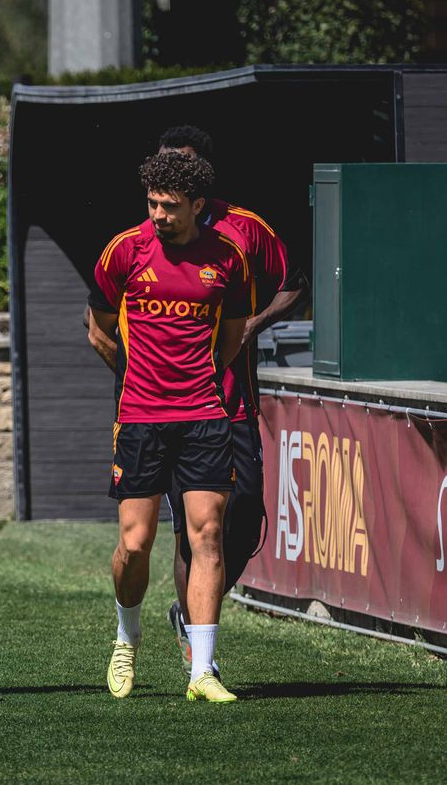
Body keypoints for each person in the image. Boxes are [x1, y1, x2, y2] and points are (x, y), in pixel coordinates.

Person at [87, 150, 249, 704]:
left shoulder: (227, 257)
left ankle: (202, 669)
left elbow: (232, 335)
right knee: (136, 545)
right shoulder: (123, 252)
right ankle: (126, 636)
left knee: (206, 536)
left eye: (170, 206)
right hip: (139, 418)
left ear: (198, 205)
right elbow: (100, 331)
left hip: (204, 416)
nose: (157, 214)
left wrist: (199, 381)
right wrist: (141, 381)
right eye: (152, 203)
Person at [155, 126, 309, 679]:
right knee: (194, 530)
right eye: (165, 164)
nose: (173, 173)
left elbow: (294, 283)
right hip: (173, 409)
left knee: (243, 518)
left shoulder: (245, 229)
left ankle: (186, 613)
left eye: (185, 165)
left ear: (204, 179)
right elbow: (100, 314)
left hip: (235, 404)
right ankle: (202, 656)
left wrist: (252, 326)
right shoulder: (145, 236)